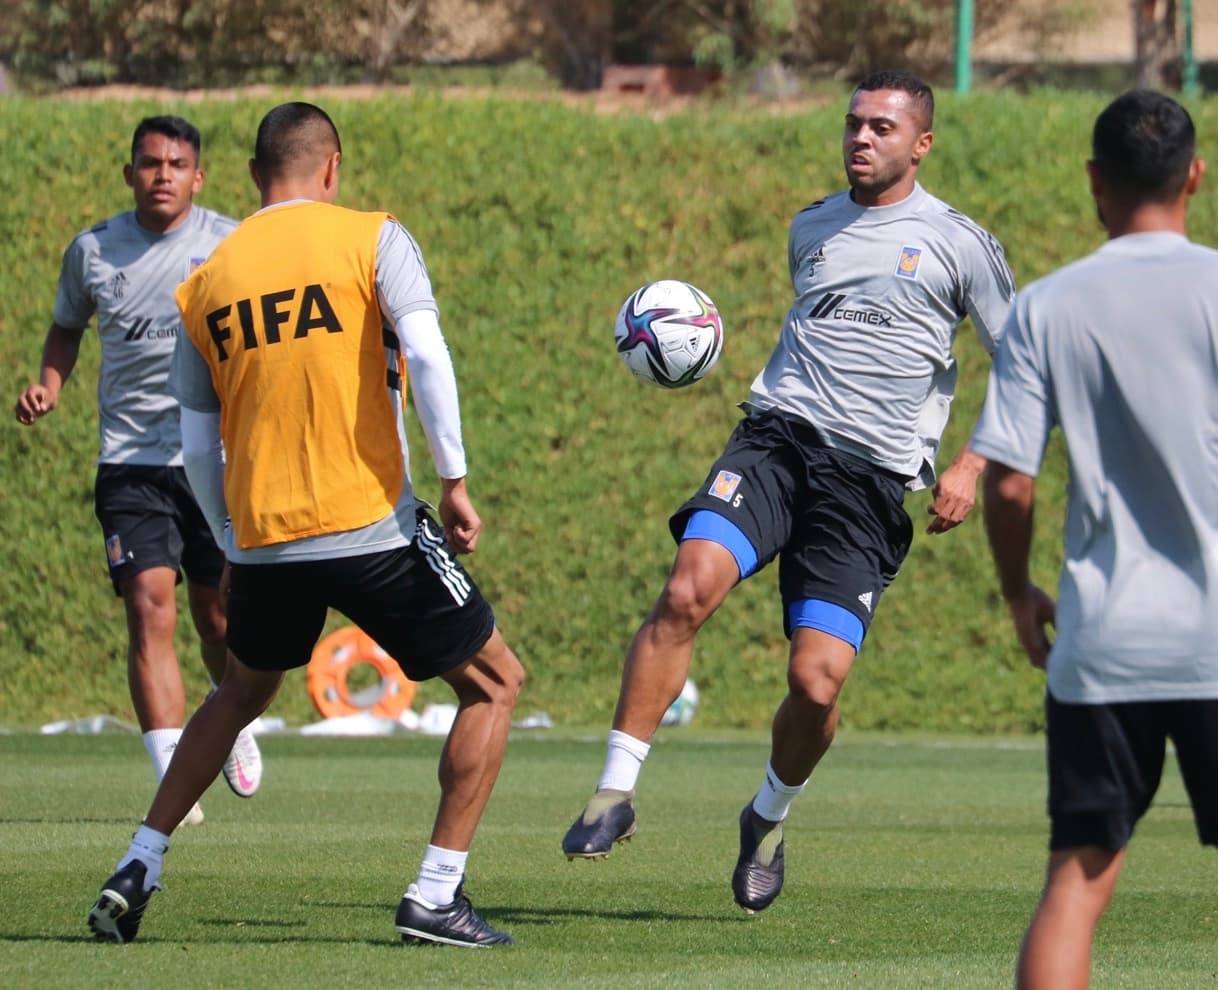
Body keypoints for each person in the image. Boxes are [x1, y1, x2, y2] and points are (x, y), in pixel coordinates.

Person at [561, 69, 1016, 913]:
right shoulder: (811, 226)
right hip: (775, 441)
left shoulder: (960, 242)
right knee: (686, 587)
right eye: (853, 123)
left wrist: (972, 463)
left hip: (870, 486)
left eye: (882, 127)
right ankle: (614, 792)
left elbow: (1025, 363)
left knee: (817, 684)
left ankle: (767, 817)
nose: (861, 138)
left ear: (921, 144)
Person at [86, 102, 525, 948]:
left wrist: (231, 533)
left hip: (261, 541)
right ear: (332, 169)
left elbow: (198, 439)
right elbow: (427, 354)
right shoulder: (372, 238)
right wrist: (457, 479)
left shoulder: (207, 280)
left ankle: (140, 859)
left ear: (253, 177)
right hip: (370, 527)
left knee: (241, 690)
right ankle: (435, 894)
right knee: (495, 684)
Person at [970, 89, 1218, 990]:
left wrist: (1015, 591)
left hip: (1105, 642)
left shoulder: (1046, 308)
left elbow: (1008, 480)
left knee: (1076, 882)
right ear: (1195, 174)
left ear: (1093, 181)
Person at [14, 115, 263, 823]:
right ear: (130, 174)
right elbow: (67, 325)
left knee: (218, 617)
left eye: (177, 163)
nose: (162, 174)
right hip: (129, 462)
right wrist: (50, 385)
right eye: (149, 163)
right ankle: (171, 779)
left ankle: (234, 721)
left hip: (211, 458)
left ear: (198, 176)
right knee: (148, 607)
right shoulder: (93, 250)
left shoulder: (230, 244)